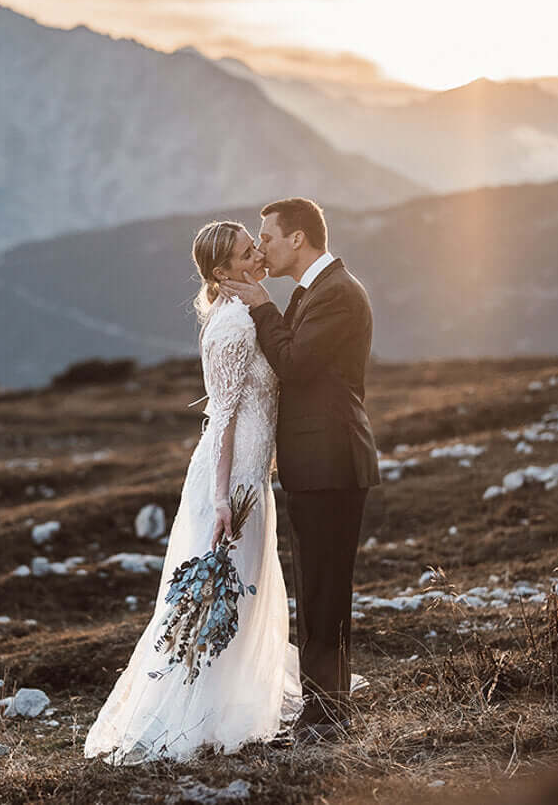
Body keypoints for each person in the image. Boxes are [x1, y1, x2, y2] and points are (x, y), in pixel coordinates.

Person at [84, 220, 302, 765]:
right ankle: (191, 715)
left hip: (252, 473)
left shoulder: (245, 314)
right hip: (231, 480)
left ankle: (229, 706)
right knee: (222, 591)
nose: (259, 256)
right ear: (222, 272)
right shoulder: (232, 325)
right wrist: (224, 498)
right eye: (247, 253)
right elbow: (223, 416)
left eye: (257, 246)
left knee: (242, 588)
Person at [219, 197, 380, 744]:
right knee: (318, 588)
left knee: (325, 590)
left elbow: (294, 364)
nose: (261, 247)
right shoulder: (318, 290)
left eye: (267, 237)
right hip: (318, 463)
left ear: (298, 239)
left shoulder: (336, 293)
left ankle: (329, 715)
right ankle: (324, 708)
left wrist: (263, 306)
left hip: (331, 461)